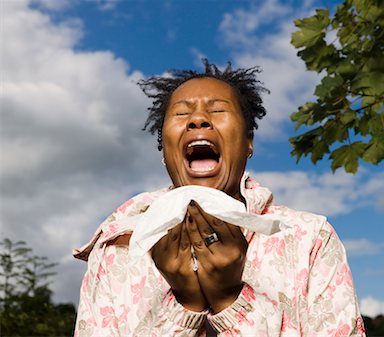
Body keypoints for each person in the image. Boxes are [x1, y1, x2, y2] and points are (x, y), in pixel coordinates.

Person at [73, 60, 366, 336]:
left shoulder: (309, 239)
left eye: (216, 111)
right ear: (165, 148)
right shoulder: (116, 251)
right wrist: (185, 309)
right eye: (182, 113)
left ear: (248, 142)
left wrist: (229, 301)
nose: (198, 119)